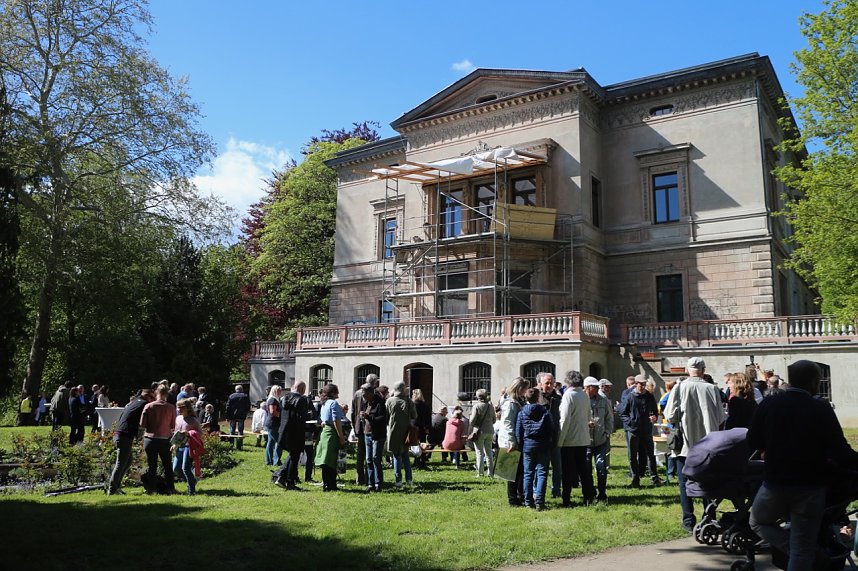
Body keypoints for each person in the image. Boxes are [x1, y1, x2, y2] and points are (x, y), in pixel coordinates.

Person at [748, 360, 858, 571]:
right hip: (810, 487)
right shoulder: (820, 408)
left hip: (775, 482)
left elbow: (753, 441)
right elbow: (839, 450)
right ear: (814, 381)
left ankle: (799, 549)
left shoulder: (769, 404)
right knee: (802, 548)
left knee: (757, 521)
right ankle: (804, 551)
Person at [664, 357, 726, 532]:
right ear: (703, 371)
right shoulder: (712, 389)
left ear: (687, 370)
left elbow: (670, 415)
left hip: (686, 445)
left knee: (684, 483)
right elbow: (721, 418)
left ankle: (688, 520)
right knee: (708, 483)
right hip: (708, 446)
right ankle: (709, 518)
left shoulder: (679, 387)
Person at [557, 370, 595, 507]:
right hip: (583, 438)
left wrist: (560, 440)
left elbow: (565, 419)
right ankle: (588, 496)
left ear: (568, 381)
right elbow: (588, 415)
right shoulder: (584, 395)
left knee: (567, 471)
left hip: (569, 439)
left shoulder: (568, 395)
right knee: (583, 470)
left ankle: (566, 499)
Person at [106, 389, 155, 495]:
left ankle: (116, 487)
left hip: (120, 434)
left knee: (127, 462)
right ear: (147, 396)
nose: (153, 400)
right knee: (121, 463)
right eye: (152, 397)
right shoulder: (143, 404)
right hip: (124, 436)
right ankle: (112, 489)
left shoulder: (135, 401)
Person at [516, 387, 555, 511]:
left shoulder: (522, 413)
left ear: (526, 397)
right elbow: (551, 430)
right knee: (542, 473)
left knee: (528, 474)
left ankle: (528, 502)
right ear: (538, 398)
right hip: (543, 445)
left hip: (528, 446)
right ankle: (540, 501)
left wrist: (521, 444)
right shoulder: (545, 412)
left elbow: (518, 432)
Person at [619, 374, 661, 488]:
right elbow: (622, 413)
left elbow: (654, 410)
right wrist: (631, 423)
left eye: (644, 384)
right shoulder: (630, 397)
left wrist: (654, 417)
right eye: (640, 384)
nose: (642, 386)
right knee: (632, 456)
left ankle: (655, 478)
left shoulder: (649, 396)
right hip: (633, 431)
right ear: (636, 384)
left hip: (646, 429)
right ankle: (635, 480)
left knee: (650, 454)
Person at [140, 385, 177, 494]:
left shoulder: (148, 406)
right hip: (165, 439)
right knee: (167, 465)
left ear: (156, 393)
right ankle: (171, 488)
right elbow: (173, 425)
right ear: (167, 394)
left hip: (150, 439)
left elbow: (142, 424)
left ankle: (151, 489)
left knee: (152, 466)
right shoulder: (171, 407)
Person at [273, 381, 309, 490]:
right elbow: (302, 417)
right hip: (296, 431)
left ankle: (280, 475)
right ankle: (289, 481)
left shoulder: (284, 398)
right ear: (302, 389)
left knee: (292, 455)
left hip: (284, 430)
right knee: (295, 457)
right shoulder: (301, 400)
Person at [498, 377, 528, 507]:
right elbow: (508, 424)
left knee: (519, 471)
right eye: (525, 388)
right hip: (510, 441)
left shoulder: (518, 401)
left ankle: (519, 496)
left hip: (517, 439)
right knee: (512, 472)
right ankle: (512, 499)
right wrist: (511, 441)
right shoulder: (510, 404)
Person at [584, 376, 614, 503]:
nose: (598, 389)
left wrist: (607, 432)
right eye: (595, 387)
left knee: (601, 468)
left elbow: (609, 417)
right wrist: (585, 423)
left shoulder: (603, 400)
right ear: (588, 388)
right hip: (585, 441)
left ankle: (602, 493)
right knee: (586, 469)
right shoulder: (581, 400)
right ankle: (590, 493)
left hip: (601, 440)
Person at [314, 383, 346, 492]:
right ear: (332, 393)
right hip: (331, 433)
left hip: (324, 433)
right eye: (336, 392)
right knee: (332, 460)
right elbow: (336, 421)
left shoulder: (324, 403)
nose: (338, 395)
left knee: (325, 460)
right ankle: (331, 484)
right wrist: (341, 437)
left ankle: (326, 483)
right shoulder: (333, 403)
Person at [386, 380, 417, 488]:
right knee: (405, 456)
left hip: (393, 431)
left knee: (396, 455)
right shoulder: (408, 401)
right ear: (403, 389)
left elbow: (386, 416)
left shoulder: (389, 401)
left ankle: (398, 480)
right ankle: (409, 479)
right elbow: (414, 416)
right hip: (406, 431)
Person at [537, 372, 563, 498]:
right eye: (547, 383)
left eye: (551, 383)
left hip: (555, 436)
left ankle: (556, 490)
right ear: (540, 384)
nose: (549, 385)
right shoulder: (537, 398)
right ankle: (537, 491)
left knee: (557, 466)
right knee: (541, 467)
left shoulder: (558, 398)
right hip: (541, 438)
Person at [173, 398, 202, 495]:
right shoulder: (178, 418)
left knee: (185, 468)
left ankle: (191, 491)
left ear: (187, 408)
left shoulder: (193, 420)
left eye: (181, 408)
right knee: (176, 469)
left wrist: (188, 433)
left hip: (189, 447)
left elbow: (200, 433)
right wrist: (174, 444)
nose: (178, 410)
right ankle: (192, 481)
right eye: (177, 407)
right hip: (180, 446)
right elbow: (176, 432)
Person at [361, 385, 387, 492]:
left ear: (370, 393)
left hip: (377, 434)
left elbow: (382, 419)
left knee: (376, 458)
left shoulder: (380, 403)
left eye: (364, 394)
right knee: (369, 459)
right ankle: (370, 483)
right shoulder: (366, 403)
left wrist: (368, 417)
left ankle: (378, 483)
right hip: (367, 433)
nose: (363, 396)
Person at [469, 388, 495, 477]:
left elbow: (472, 420)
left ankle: (480, 473)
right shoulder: (490, 406)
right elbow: (494, 420)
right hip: (490, 430)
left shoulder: (476, 406)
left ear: (477, 397)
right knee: (489, 452)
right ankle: (490, 473)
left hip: (479, 431)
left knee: (479, 452)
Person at [411, 388, 432, 469]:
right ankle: (422, 461)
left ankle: (416, 460)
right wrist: (427, 427)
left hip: (414, 427)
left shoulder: (413, 405)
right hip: (422, 427)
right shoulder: (425, 405)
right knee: (423, 444)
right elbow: (428, 417)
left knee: (415, 444)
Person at [225, 384, 251, 450]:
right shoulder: (245, 396)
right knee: (240, 431)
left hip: (232, 416)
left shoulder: (231, 396)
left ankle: (231, 445)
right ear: (242, 389)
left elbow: (228, 407)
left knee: (232, 431)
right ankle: (239, 446)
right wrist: (245, 412)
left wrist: (227, 416)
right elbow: (248, 406)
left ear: (235, 389)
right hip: (241, 415)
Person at [264, 385, 283, 466]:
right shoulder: (273, 400)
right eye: (279, 391)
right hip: (273, 423)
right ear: (274, 391)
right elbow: (272, 412)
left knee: (271, 442)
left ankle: (269, 461)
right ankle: (276, 461)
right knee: (279, 442)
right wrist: (282, 415)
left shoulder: (274, 399)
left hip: (272, 423)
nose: (280, 392)